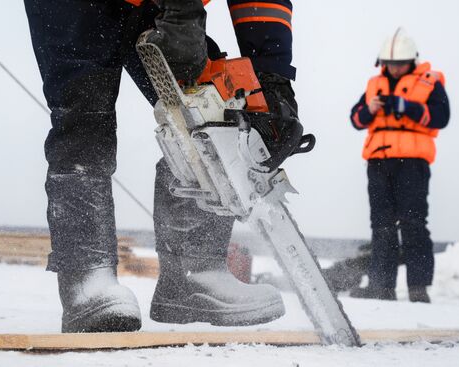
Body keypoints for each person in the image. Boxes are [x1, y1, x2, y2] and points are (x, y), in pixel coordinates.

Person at [23, 0, 300, 332]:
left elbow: (261, 5)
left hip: (156, 6)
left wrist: (272, 76)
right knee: (84, 114)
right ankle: (87, 277)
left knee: (207, 106)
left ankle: (192, 276)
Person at [349, 28, 450, 303]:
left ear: (412, 61)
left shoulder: (430, 82)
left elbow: (441, 117)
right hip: (378, 163)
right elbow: (355, 119)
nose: (394, 69)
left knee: (413, 222)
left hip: (412, 164)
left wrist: (405, 106)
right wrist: (369, 110)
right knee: (381, 225)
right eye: (389, 64)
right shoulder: (373, 85)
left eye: (399, 64)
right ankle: (381, 287)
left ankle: (418, 289)